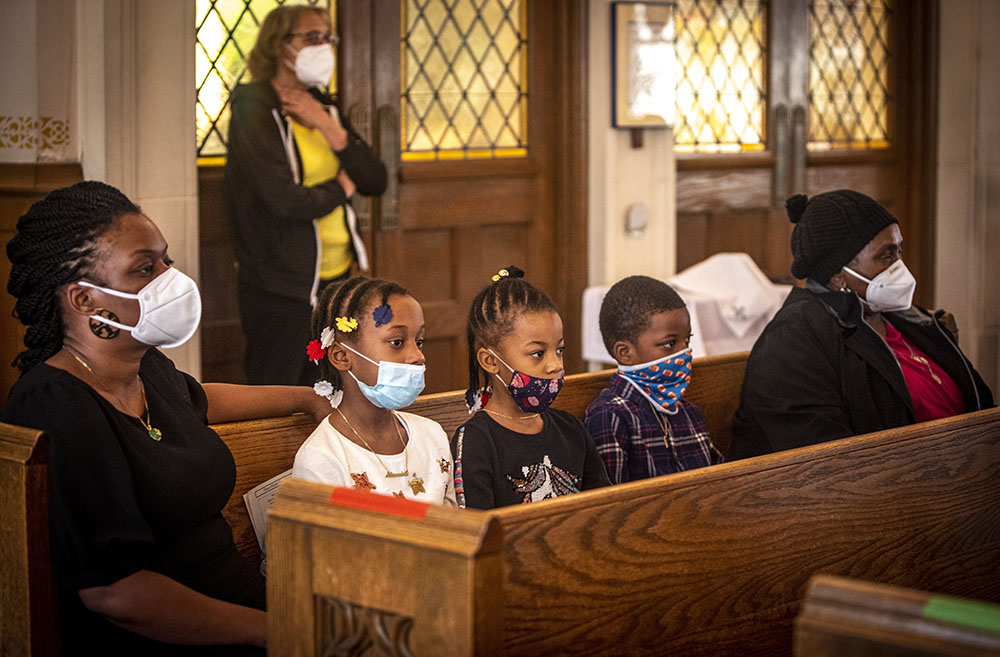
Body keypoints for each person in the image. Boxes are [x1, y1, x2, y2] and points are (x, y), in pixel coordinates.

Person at [2, 181, 332, 655]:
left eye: (165, 260)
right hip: (167, 634)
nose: (169, 278)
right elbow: (116, 594)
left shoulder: (146, 367)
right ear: (84, 300)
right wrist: (281, 630)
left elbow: (199, 401)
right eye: (144, 268)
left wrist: (308, 398)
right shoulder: (54, 405)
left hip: (248, 607)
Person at [733, 189, 994, 458]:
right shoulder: (793, 341)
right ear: (838, 275)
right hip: (896, 490)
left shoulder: (910, 320)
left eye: (899, 251)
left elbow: (983, 409)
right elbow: (826, 462)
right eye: (886, 255)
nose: (900, 267)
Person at [226, 4, 387, 386]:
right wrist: (342, 186)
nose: (323, 45)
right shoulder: (254, 109)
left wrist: (328, 127)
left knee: (331, 387)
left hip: (337, 279)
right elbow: (285, 201)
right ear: (279, 45)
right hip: (280, 285)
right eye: (311, 37)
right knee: (279, 391)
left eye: (327, 37)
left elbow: (376, 179)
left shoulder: (322, 104)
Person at [451, 267, 610, 509]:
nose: (555, 365)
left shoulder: (571, 430)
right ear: (491, 361)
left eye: (560, 350)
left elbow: (604, 508)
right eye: (537, 353)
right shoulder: (477, 441)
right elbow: (475, 530)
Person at [292, 277, 456, 504]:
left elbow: (456, 527)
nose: (418, 356)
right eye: (397, 342)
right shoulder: (323, 458)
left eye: (418, 342)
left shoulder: (432, 436)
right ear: (342, 356)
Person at [583, 275, 723, 483]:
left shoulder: (689, 412)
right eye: (669, 343)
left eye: (687, 340)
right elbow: (612, 503)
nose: (685, 352)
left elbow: (718, 481)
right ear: (624, 352)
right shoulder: (610, 416)